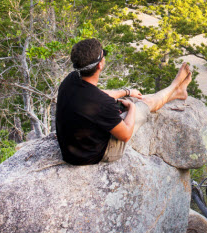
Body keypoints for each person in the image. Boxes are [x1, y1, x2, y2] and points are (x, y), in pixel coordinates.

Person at [55, 38, 191, 165]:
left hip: (72, 151)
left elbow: (99, 96)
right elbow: (125, 135)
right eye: (104, 54)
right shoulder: (102, 104)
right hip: (98, 153)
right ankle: (175, 86)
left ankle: (177, 94)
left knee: (134, 97)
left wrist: (127, 92)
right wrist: (132, 108)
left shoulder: (71, 79)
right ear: (100, 65)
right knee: (144, 104)